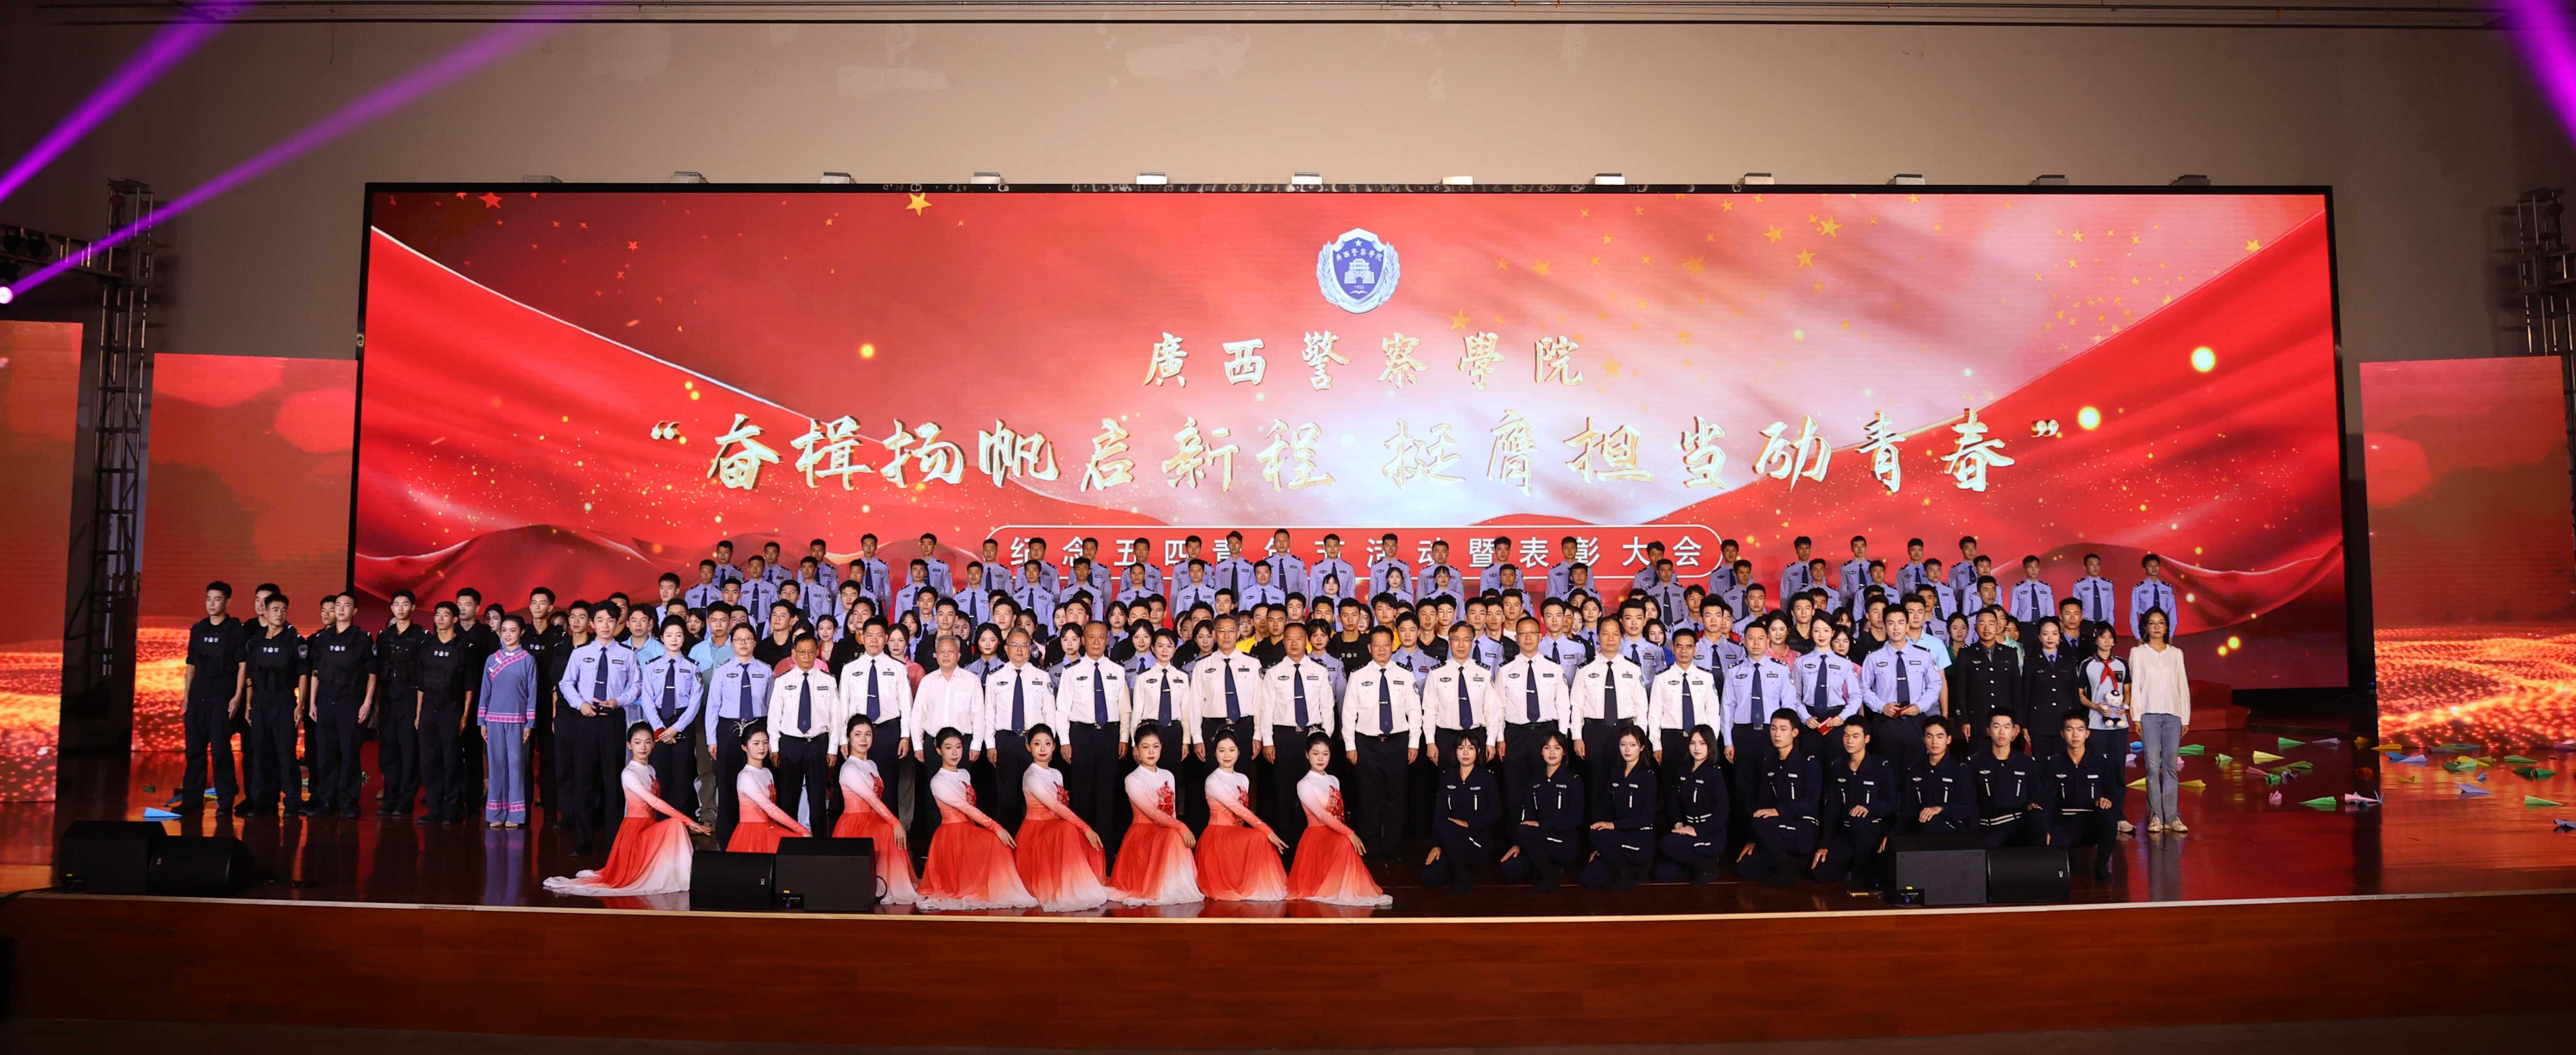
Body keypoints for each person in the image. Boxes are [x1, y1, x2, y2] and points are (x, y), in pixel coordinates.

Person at [544, 723, 712, 897]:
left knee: (674, 826)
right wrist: (689, 821)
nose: (643, 747)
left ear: (653, 745)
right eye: (638, 743)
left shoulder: (650, 769)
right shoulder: (629, 773)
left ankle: (682, 876)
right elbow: (654, 802)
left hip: (650, 826)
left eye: (648, 742)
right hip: (635, 831)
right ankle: (683, 877)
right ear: (629, 745)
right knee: (675, 825)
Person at [916, 727, 1040, 911]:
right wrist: (996, 828)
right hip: (952, 835)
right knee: (995, 840)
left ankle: (995, 887)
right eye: (949, 748)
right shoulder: (938, 781)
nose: (955, 753)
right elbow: (966, 808)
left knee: (997, 842)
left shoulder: (964, 774)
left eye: (958, 747)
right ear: (939, 751)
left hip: (969, 829)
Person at [556, 606, 639, 852]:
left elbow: (637, 686)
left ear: (618, 624)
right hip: (586, 720)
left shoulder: (627, 654)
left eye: (610, 621)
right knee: (584, 780)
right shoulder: (581, 653)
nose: (605, 625)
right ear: (592, 624)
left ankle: (614, 840)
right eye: (600, 620)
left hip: (613, 720)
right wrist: (580, 704)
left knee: (613, 781)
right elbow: (566, 683)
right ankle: (583, 841)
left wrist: (619, 701)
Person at [1013, 725, 1117, 912]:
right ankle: (1066, 888)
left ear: (1054, 746)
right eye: (1037, 744)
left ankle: (1077, 884)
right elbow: (1056, 807)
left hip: (1056, 826)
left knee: (1080, 835)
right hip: (1036, 831)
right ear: (1029, 747)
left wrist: (1084, 829)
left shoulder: (1057, 774)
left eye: (1047, 744)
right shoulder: (1031, 776)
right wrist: (1086, 828)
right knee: (1071, 829)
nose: (1043, 749)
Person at [1339, 626, 1419, 861]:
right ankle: (1371, 848)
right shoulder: (1358, 676)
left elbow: (1415, 711)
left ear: (1393, 647)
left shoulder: (1405, 675)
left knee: (1396, 797)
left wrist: (1414, 743)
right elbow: (1348, 713)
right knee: (1368, 797)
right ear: (1369, 648)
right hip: (1367, 744)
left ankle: (1393, 848)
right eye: (1377, 645)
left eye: (1386, 645)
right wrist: (1350, 746)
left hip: (1397, 743)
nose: (1382, 649)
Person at [1285, 732, 1391, 907]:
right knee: (1345, 842)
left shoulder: (1334, 780)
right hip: (1316, 836)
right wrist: (1350, 833)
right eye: (1316, 754)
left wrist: (1346, 833)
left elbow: (1339, 813)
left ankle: (1345, 886)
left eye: (1325, 754)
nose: (1321, 759)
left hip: (1336, 832)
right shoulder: (1304, 784)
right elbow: (1321, 815)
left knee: (1345, 842)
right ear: (1307, 755)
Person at [830, 715, 918, 906]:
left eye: (868, 734)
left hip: (874, 818)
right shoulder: (849, 768)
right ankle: (880, 887)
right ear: (849, 738)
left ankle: (889, 884)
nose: (863, 739)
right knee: (889, 830)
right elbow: (870, 798)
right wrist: (895, 823)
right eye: (858, 735)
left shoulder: (871, 765)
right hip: (855, 823)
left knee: (889, 831)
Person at [303, 593, 377, 818]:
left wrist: (367, 703)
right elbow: (315, 673)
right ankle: (327, 800)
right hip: (326, 702)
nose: (341, 609)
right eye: (338, 605)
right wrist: (312, 703)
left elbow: (372, 674)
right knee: (325, 753)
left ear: (354, 611)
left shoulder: (363, 638)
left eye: (347, 606)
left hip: (350, 702)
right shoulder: (322, 639)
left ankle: (349, 802)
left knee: (349, 753)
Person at [1111, 726, 1203, 906]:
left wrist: (1178, 828)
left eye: (1155, 747)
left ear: (1161, 748)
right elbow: (1152, 812)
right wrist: (1181, 827)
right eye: (1145, 747)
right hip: (1143, 835)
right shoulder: (1133, 779)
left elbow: (1172, 811)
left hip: (1167, 830)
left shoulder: (1168, 775)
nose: (1151, 752)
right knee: (1175, 834)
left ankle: (1175, 886)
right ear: (1137, 750)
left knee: (1174, 835)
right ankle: (1161, 888)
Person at [1197, 731, 1290, 901]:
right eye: (1222, 750)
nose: (1227, 755)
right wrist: (1268, 831)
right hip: (1218, 836)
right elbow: (1239, 810)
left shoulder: (1243, 779)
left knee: (1259, 837)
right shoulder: (1213, 780)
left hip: (1236, 834)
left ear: (1239, 752)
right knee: (1260, 837)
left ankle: (1255, 884)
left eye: (1232, 750)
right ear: (1215, 753)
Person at [766, 634, 842, 837]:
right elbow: (774, 717)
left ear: (817, 653)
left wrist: (832, 749)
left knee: (817, 799)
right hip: (790, 745)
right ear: (794, 654)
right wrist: (775, 749)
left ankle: (819, 845)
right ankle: (789, 842)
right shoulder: (783, 681)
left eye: (811, 652)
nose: (807, 656)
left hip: (818, 744)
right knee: (788, 798)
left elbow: (836, 718)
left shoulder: (828, 681)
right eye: (802, 652)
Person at [1735, 710, 1822, 886]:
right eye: (1773, 729)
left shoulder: (1809, 763)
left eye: (1783, 729)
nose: (1777, 734)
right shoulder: (1770, 762)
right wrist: (1753, 839)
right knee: (1745, 868)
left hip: (1803, 829)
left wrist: (1778, 811)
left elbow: (1812, 805)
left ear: (1794, 733)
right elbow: (1763, 804)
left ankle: (1788, 871)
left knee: (1763, 822)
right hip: (1777, 830)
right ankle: (1795, 863)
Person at [1812, 721, 1899, 890]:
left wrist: (1869, 808)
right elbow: (1832, 810)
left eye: (1855, 736)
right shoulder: (1838, 766)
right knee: (1821, 872)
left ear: (1867, 739)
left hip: (1872, 829)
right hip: (1847, 830)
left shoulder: (1881, 766)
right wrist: (1824, 845)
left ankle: (1863, 872)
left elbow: (1892, 804)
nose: (1849, 741)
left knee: (1859, 821)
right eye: (1846, 736)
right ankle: (1852, 864)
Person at [2040, 711, 2125, 880]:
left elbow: (2116, 792)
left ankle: (2102, 865)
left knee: (2109, 816)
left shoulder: (2101, 762)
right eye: (2070, 730)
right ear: (2062, 734)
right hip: (2064, 822)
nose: (2075, 735)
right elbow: (2047, 799)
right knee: (2070, 869)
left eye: (2080, 730)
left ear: (2088, 734)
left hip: (2092, 823)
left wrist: (2107, 800)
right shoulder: (2053, 763)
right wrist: (2045, 828)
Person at [1497, 731, 1585, 893]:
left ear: (1564, 752)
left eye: (1557, 748)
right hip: (1538, 840)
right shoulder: (1535, 781)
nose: (1552, 752)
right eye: (1547, 748)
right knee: (1510, 868)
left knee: (1525, 831)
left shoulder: (1573, 780)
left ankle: (1550, 878)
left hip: (1564, 842)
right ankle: (1547, 865)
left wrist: (1541, 825)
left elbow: (1575, 820)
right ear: (1541, 752)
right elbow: (1528, 817)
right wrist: (1518, 844)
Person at [415, 601, 478, 826]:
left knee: (451, 760)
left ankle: (452, 808)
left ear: (455, 620)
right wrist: (418, 713)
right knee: (429, 760)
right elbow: (420, 685)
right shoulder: (426, 646)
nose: (440, 619)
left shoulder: (464, 647)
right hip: (428, 709)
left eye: (446, 615)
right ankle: (435, 808)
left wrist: (465, 715)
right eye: (437, 615)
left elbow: (470, 685)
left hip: (452, 709)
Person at [636, 618, 705, 823]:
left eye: (678, 635)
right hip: (658, 723)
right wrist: (659, 729)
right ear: (662, 638)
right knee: (661, 777)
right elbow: (647, 700)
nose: (674, 639)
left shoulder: (693, 667)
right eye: (669, 635)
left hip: (683, 723)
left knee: (683, 779)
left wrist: (676, 728)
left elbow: (695, 703)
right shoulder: (652, 666)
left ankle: (679, 825)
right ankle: (662, 824)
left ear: (684, 638)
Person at [2129, 609, 2190, 834]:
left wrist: (2185, 717)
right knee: (2153, 768)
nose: (2157, 627)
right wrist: (2137, 717)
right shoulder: (2138, 653)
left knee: (2171, 767)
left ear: (2167, 627)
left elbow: (2182, 685)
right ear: (2146, 627)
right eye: (2152, 623)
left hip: (2173, 715)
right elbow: (2136, 686)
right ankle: (2156, 815)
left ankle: (2172, 817)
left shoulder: (2176, 654)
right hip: (2149, 716)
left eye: (2161, 623)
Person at [1420, 731, 1501, 896]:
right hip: (1450, 839)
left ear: (1478, 752)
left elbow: (1496, 813)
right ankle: (1457, 864)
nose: (1465, 753)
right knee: (1430, 877)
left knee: (1448, 826)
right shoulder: (1448, 777)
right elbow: (1440, 814)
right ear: (1455, 751)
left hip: (1476, 841)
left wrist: (1469, 824)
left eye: (1470, 748)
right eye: (1461, 748)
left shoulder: (1487, 778)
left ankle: (1463, 878)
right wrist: (1436, 845)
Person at [476, 615, 539, 828]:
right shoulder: (492, 660)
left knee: (516, 767)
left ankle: (516, 814)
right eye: (504, 630)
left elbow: (532, 693)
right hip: (493, 720)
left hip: (518, 721)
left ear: (522, 632)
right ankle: (495, 813)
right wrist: (482, 721)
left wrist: (530, 723)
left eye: (513, 630)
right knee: (496, 766)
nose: (508, 635)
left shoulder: (527, 660)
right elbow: (485, 691)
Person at [1580, 726, 1658, 890]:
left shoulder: (1648, 776)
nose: (1627, 750)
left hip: (1640, 840)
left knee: (1599, 834)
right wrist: (1603, 846)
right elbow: (1609, 811)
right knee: (1589, 878)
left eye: (1633, 745)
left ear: (1642, 748)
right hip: (1618, 839)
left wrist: (1613, 827)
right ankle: (1628, 869)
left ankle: (1626, 875)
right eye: (1623, 745)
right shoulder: (1615, 773)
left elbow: (1647, 818)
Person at [2076, 624, 2134, 835]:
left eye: (2111, 637)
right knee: (2096, 769)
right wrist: (2096, 707)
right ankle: (2097, 815)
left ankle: (2119, 815)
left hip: (2119, 725)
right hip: (2096, 724)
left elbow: (2127, 690)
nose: (2107, 641)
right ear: (2096, 640)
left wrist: (2124, 707)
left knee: (2118, 770)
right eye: (2103, 637)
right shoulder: (2087, 665)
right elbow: (2080, 694)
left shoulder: (2122, 664)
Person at [1653, 726, 1729, 884]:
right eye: (1693, 743)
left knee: (1667, 843)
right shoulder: (1684, 771)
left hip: (1710, 834)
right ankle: (1697, 865)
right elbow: (1673, 803)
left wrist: (1698, 831)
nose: (1697, 748)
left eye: (1702, 743)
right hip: (1687, 830)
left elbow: (1723, 812)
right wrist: (1679, 824)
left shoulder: (1715, 773)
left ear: (1710, 745)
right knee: (1663, 874)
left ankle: (1708, 867)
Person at [725, 723, 812, 853]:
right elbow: (771, 809)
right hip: (752, 833)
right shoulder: (746, 777)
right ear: (745, 747)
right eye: (756, 744)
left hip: (770, 827)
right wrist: (802, 830)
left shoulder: (767, 772)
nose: (762, 747)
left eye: (765, 743)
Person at [1971, 711, 2045, 847]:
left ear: (2014, 732)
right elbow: (1969, 800)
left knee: (2038, 818)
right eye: (1997, 727)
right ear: (1989, 731)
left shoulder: (2027, 763)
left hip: (2017, 826)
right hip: (1986, 828)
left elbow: (2037, 794)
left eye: (2006, 727)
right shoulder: (1976, 763)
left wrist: (2033, 804)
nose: (2002, 732)